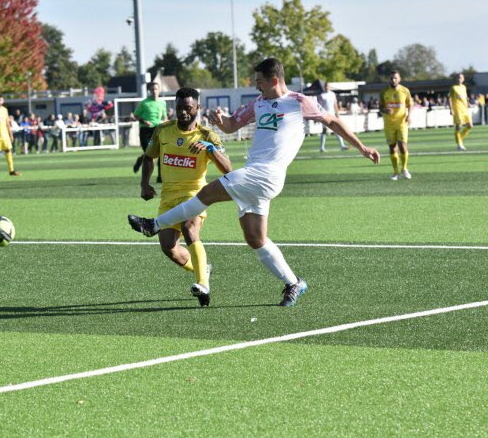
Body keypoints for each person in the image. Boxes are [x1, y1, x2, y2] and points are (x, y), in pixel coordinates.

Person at [128, 58, 380, 306]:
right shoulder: (258, 103)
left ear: (274, 80)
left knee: (206, 194)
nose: (256, 85)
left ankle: (154, 224)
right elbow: (231, 125)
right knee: (255, 238)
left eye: (259, 81)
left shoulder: (298, 102)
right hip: (255, 173)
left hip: (268, 173)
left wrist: (362, 148)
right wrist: (220, 120)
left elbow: (332, 121)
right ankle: (294, 282)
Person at [137, 87, 232, 307]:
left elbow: (228, 169)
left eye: (188, 108)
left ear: (198, 107)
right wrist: (144, 184)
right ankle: (203, 269)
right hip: (168, 196)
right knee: (169, 248)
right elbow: (149, 157)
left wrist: (211, 149)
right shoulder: (163, 130)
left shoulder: (207, 136)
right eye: (179, 107)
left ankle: (203, 284)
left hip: (195, 194)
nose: (182, 112)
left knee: (190, 228)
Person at [132, 81, 170, 181]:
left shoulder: (162, 103)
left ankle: (160, 177)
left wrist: (165, 122)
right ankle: (141, 160)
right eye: (152, 89)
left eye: (156, 89)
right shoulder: (144, 103)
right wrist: (144, 121)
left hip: (157, 130)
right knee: (149, 154)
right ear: (149, 90)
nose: (154, 91)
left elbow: (164, 117)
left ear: (159, 90)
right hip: (145, 130)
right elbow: (136, 115)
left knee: (161, 152)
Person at [380, 71, 413, 181]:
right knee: (392, 148)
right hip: (389, 124)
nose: (393, 80)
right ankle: (395, 172)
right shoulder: (384, 91)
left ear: (399, 79)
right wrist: (385, 110)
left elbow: (410, 105)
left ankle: (404, 168)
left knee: (403, 146)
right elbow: (380, 107)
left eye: (395, 78)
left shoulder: (405, 90)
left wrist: (409, 115)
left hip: (402, 123)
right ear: (389, 79)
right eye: (391, 78)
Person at [316, 82, 347, 152]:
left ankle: (342, 145)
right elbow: (318, 106)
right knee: (324, 130)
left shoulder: (333, 94)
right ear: (324, 87)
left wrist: (337, 114)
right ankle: (321, 147)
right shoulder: (321, 95)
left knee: (337, 129)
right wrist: (318, 116)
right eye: (326, 86)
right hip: (324, 115)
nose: (327, 87)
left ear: (330, 87)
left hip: (332, 114)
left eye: (328, 86)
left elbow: (335, 104)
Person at [449, 73, 474, 151]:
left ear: (463, 79)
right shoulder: (453, 88)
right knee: (458, 126)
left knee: (470, 126)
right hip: (458, 109)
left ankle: (459, 140)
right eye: (458, 77)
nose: (459, 79)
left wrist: (468, 102)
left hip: (465, 109)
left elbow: (465, 96)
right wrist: (451, 109)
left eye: (460, 78)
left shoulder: (464, 87)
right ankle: (459, 144)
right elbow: (449, 98)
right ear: (456, 79)